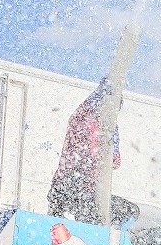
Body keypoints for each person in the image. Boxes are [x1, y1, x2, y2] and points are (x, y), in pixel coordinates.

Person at [46, 78, 122, 224]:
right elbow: (87, 107)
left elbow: (115, 161)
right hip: (68, 177)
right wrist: (104, 89)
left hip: (88, 185)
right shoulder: (84, 118)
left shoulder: (111, 129)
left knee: (90, 220)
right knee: (56, 221)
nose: (113, 112)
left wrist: (113, 152)